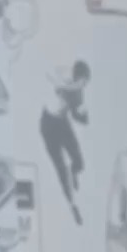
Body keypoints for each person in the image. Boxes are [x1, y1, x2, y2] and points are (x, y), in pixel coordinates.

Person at [40, 59, 91, 225]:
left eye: (85, 84)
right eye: (82, 82)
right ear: (76, 76)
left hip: (62, 123)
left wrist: (83, 118)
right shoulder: (62, 74)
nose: (83, 86)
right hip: (49, 125)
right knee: (61, 167)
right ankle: (72, 204)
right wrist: (67, 87)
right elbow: (50, 76)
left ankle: (74, 171)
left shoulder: (78, 92)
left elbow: (75, 114)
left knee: (79, 161)